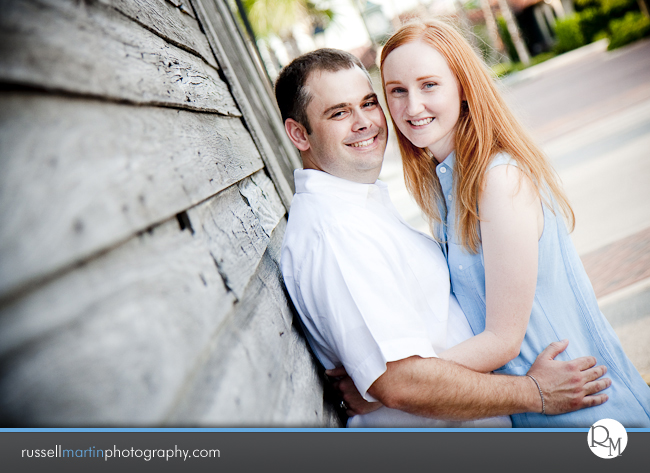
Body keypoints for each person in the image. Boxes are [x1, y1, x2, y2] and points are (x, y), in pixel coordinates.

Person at [275, 48, 610, 427]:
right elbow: (401, 384)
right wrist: (535, 393)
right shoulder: (335, 234)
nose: (364, 122)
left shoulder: (361, 206)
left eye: (369, 103)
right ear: (299, 133)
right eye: (339, 112)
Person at [376, 19, 650, 427]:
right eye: (397, 90)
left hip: (589, 413)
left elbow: (503, 340)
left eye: (429, 85)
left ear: (463, 87)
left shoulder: (499, 179)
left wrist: (394, 384)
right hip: (533, 415)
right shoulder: (444, 187)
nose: (411, 106)